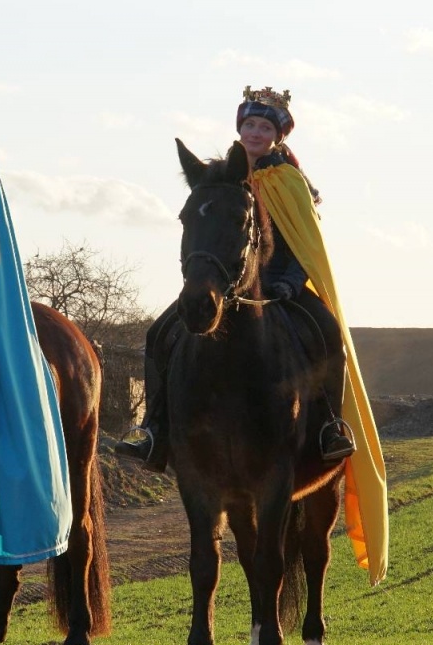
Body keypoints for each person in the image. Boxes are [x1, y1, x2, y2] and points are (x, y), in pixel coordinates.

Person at [116, 87, 356, 470]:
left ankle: (330, 424)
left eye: (264, 127)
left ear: (278, 135)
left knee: (327, 331)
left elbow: (306, 245)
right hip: (221, 285)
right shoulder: (218, 177)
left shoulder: (290, 181)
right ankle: (153, 429)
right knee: (158, 333)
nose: (255, 133)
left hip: (280, 288)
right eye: (249, 124)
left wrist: (289, 283)